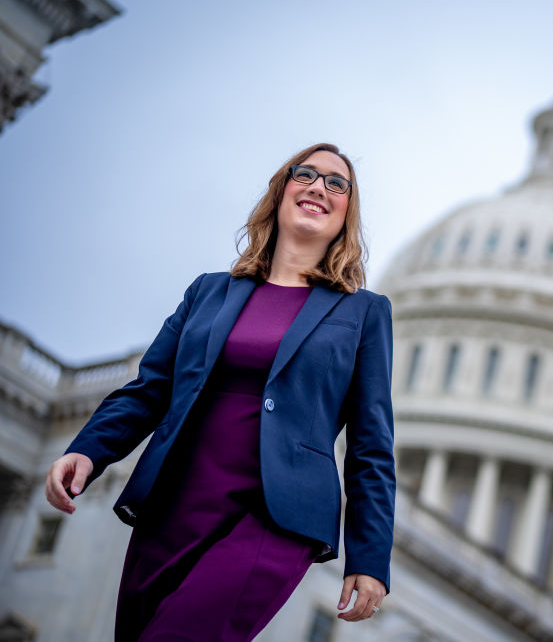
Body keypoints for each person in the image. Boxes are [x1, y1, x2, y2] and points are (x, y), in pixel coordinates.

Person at [43, 142, 396, 640]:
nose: (319, 186)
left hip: (275, 519)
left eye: (337, 183)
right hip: (175, 503)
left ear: (346, 212)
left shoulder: (364, 313)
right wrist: (87, 449)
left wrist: (371, 558)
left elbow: (371, 446)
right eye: (306, 175)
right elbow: (151, 388)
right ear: (280, 192)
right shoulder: (208, 291)